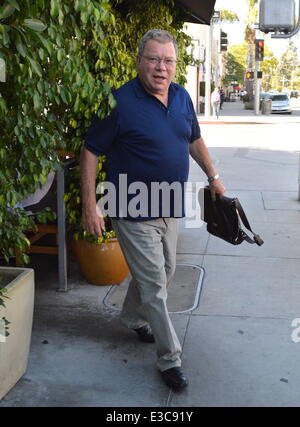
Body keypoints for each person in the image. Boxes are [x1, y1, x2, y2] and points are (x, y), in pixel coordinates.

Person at [80, 29, 225, 391]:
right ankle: (170, 358)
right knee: (155, 286)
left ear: (175, 65)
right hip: (130, 206)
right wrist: (90, 207)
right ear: (140, 61)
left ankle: (131, 317)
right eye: (153, 59)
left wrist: (213, 176)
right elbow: (91, 150)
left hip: (169, 205)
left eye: (168, 61)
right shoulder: (119, 102)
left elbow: (193, 138)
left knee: (166, 269)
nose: (161, 67)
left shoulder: (181, 97)